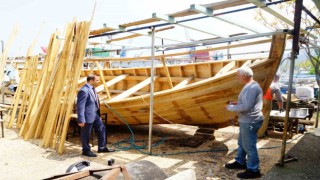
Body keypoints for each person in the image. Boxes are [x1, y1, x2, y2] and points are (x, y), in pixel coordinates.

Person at [224, 67, 263, 179]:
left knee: (249, 146)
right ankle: (240, 162)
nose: (237, 77)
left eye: (238, 75)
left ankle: (254, 170)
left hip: (249, 121)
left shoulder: (250, 88)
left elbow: (246, 106)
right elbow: (248, 102)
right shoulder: (252, 86)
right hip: (248, 120)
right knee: (242, 143)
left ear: (245, 75)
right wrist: (236, 103)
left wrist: (231, 107)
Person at [77, 74, 114, 157]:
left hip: (95, 114)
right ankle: (86, 150)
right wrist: (81, 119)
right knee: (86, 133)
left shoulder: (93, 89)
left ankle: (102, 147)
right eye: (97, 80)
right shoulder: (84, 90)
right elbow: (80, 106)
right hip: (87, 116)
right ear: (91, 80)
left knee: (102, 128)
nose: (99, 81)